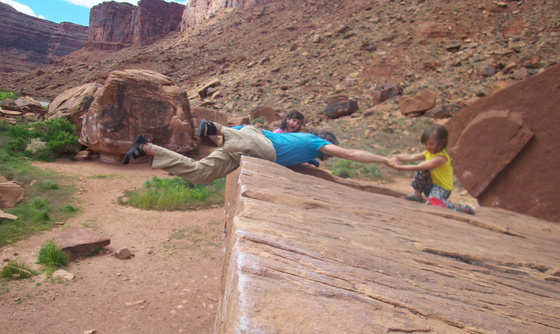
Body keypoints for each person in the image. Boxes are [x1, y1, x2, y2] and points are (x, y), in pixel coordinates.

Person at [123, 119, 389, 184]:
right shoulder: (313, 141)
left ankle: (145, 148)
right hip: (258, 143)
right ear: (326, 143)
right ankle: (214, 126)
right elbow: (352, 154)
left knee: (199, 173)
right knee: (263, 149)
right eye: (329, 152)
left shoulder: (309, 153)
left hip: (244, 146)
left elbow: (310, 167)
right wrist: (387, 160)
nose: (327, 156)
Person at [387, 124, 475, 215]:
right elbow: (411, 156)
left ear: (441, 143)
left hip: (442, 188)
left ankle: (460, 207)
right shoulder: (429, 152)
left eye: (431, 144)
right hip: (432, 184)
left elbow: (420, 167)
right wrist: (395, 157)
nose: (428, 146)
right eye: (425, 144)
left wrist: (399, 167)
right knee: (422, 169)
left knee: (432, 203)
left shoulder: (441, 158)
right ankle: (417, 195)